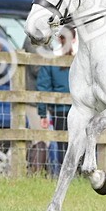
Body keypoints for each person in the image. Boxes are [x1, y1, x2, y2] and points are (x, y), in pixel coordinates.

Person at [35, 28, 73, 176]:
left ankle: (64, 175)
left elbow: (43, 87)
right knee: (81, 145)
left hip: (60, 112)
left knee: (63, 146)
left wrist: (42, 113)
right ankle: (81, 176)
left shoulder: (51, 61)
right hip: (82, 111)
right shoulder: (81, 60)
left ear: (58, 40)